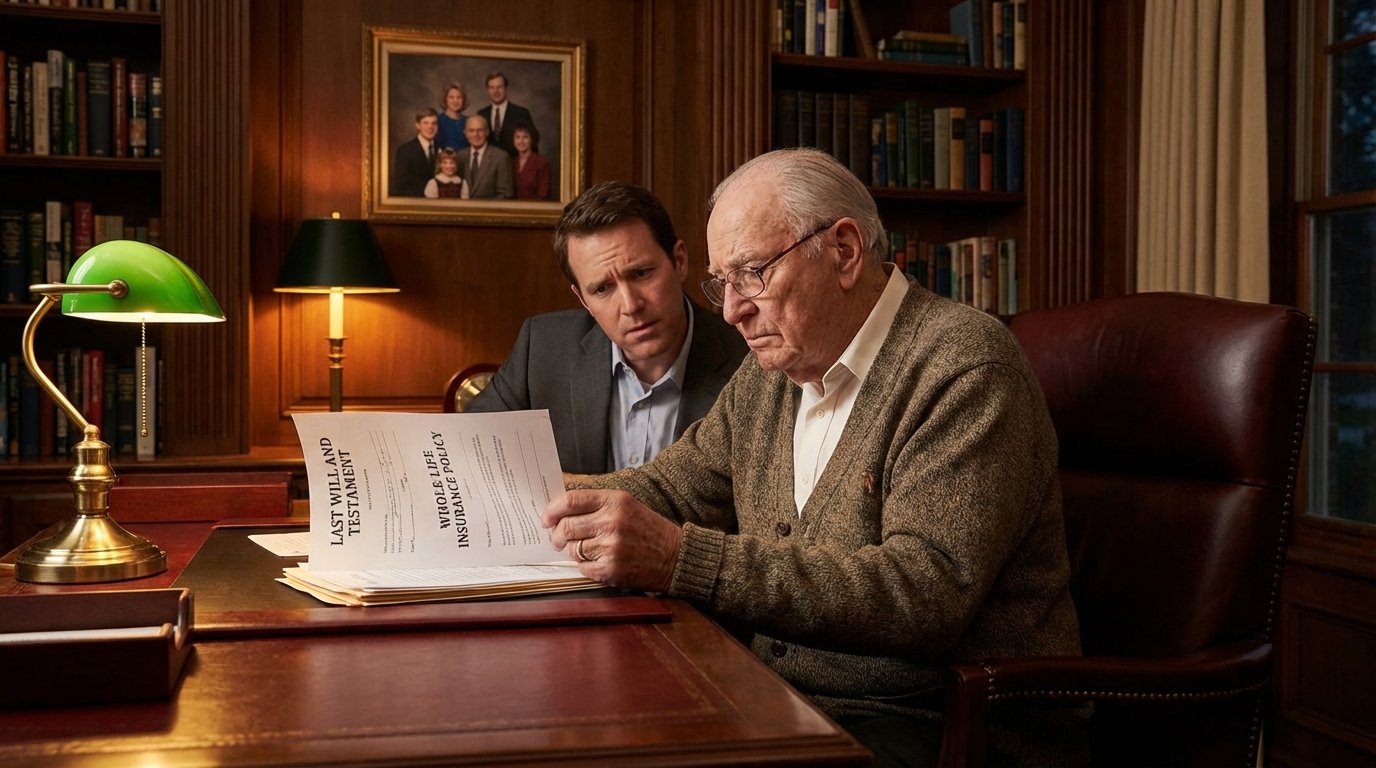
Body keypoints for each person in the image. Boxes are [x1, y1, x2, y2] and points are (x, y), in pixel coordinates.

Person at [540, 148, 1085, 767]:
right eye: (722, 283)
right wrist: (515, 498)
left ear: (844, 251)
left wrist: (679, 559)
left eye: (752, 274)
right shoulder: (773, 372)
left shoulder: (964, 366)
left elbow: (921, 595)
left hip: (940, 726)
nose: (731, 310)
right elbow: (670, 488)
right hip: (783, 700)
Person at [466, 180, 749, 476]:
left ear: (679, 261)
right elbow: (466, 449)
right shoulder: (542, 348)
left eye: (641, 273)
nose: (630, 305)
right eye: (602, 289)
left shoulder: (748, 360)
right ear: (582, 299)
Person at [455, 115, 514, 199]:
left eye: (480, 130)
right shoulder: (459, 156)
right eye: (471, 130)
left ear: (487, 132)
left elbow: (505, 194)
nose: (475, 134)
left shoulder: (501, 157)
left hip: (490, 207)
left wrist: (485, 207)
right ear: (465, 133)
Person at [477, 71, 534, 157]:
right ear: (488, 90)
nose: (496, 91)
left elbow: (532, 144)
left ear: (506, 88)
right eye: (492, 88)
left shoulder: (521, 113)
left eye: (499, 87)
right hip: (489, 163)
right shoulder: (481, 114)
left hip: (514, 162)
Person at [390, 108, 441, 198]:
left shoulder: (441, 148)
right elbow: (401, 187)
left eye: (434, 123)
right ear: (417, 125)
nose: (430, 127)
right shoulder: (405, 151)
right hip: (416, 202)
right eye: (426, 123)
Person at [510, 120, 550, 200]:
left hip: (535, 206)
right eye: (517, 137)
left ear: (532, 140)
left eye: (525, 137)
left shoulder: (541, 162)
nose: (521, 141)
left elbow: (543, 194)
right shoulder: (511, 162)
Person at [435, 82, 470, 152]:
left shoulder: (469, 121)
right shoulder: (437, 121)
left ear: (464, 100)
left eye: (459, 97)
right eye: (451, 97)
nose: (455, 101)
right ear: (445, 99)